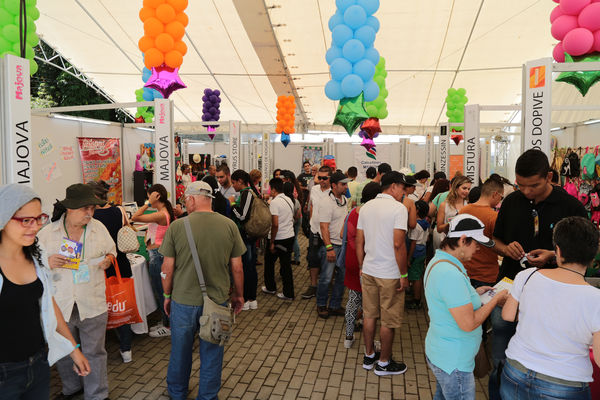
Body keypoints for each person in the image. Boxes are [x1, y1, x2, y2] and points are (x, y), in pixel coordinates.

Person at [488, 149, 588, 400]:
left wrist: (552, 256)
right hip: (509, 287)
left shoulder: (571, 207)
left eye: (533, 185)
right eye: (520, 185)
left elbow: (582, 253)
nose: (526, 191)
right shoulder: (511, 201)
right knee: (500, 354)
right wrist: (505, 248)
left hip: (553, 298)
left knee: (543, 355)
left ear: (549, 177)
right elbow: (495, 240)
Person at [0, 184, 90, 400]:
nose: (35, 227)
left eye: (39, 218)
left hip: (39, 365)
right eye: (25, 220)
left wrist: (74, 349)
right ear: (3, 218)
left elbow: (49, 306)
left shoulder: (35, 255)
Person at [159, 181, 245, 400]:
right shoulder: (229, 225)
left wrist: (167, 296)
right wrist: (238, 294)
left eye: (185, 200)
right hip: (216, 302)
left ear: (192, 199)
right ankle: (207, 396)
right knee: (212, 353)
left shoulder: (178, 226)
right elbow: (237, 267)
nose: (185, 204)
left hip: (183, 302)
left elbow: (167, 268)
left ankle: (177, 393)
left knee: (180, 352)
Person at [502, 217, 600, 399]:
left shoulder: (527, 275)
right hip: (565, 382)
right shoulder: (596, 299)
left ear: (558, 250)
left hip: (516, 370)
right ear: (593, 256)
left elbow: (508, 315)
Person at [38, 183, 116, 400]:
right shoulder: (48, 233)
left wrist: (109, 260)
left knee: (95, 353)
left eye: (92, 208)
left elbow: (112, 251)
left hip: (92, 301)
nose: (90, 214)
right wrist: (47, 261)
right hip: (61, 303)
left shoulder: (98, 228)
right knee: (64, 351)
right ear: (70, 209)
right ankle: (72, 389)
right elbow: (32, 263)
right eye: (85, 209)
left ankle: (97, 395)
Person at [425, 214, 508, 400]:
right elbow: (468, 323)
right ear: (463, 240)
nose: (478, 248)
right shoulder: (449, 273)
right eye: (476, 243)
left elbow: (447, 298)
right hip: (454, 361)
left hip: (443, 353)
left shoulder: (440, 262)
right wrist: (495, 300)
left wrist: (475, 293)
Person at [356, 171, 410, 376]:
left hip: (369, 269)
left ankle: (369, 355)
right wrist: (404, 275)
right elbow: (398, 244)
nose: (404, 192)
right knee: (389, 319)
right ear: (394, 186)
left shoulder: (366, 207)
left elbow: (359, 241)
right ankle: (384, 364)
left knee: (369, 315)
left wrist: (362, 266)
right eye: (403, 188)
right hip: (390, 273)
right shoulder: (399, 209)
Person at [88, 181, 135, 363]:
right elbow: (127, 229)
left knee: (102, 309)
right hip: (121, 264)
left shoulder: (91, 217)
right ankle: (126, 350)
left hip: (102, 267)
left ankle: (101, 349)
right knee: (121, 306)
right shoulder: (120, 211)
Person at [131, 184, 175, 338]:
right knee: (161, 290)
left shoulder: (161, 214)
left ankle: (168, 325)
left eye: (150, 196)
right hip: (157, 255)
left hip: (158, 256)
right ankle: (165, 321)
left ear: (156, 196)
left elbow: (134, 217)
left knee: (162, 291)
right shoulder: (161, 212)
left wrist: (147, 203)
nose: (148, 199)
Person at [343, 182, 382, 348]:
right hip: (368, 262)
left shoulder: (352, 212)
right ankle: (372, 341)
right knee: (370, 305)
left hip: (351, 260)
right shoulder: (374, 214)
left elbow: (342, 234)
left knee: (353, 299)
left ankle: (348, 337)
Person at [316, 171, 350, 319]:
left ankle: (335, 305)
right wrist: (329, 248)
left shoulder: (344, 200)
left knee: (342, 278)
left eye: (346, 184)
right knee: (326, 277)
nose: (346, 186)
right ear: (334, 185)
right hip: (331, 246)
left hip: (343, 245)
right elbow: (324, 227)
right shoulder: (325, 202)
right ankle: (321, 305)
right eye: (343, 184)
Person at [459, 178, 504, 287]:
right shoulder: (493, 217)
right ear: (495, 194)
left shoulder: (463, 211)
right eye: (501, 197)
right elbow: (499, 245)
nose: (500, 201)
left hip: (465, 270)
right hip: (486, 274)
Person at [262, 178, 296, 300]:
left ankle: (270, 287)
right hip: (289, 236)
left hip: (278, 238)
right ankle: (288, 293)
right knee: (286, 266)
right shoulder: (289, 199)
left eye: (270, 188)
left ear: (274, 189)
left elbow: (275, 224)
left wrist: (272, 242)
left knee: (269, 264)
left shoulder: (275, 202)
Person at [231, 169, 259, 311]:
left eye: (234, 182)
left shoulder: (247, 194)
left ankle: (250, 298)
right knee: (248, 266)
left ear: (240, 181)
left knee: (248, 267)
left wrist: (232, 205)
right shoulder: (247, 193)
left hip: (247, 237)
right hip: (247, 236)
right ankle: (250, 297)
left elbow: (242, 216)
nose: (233, 185)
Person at [302, 166, 331, 299]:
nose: (322, 180)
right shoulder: (314, 189)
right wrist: (311, 221)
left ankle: (327, 285)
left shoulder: (333, 192)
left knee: (327, 260)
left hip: (328, 232)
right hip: (314, 230)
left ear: (330, 178)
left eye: (325, 178)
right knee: (313, 259)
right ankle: (313, 286)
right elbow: (312, 204)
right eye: (320, 178)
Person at [406, 200, 430, 310]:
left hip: (416, 252)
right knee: (419, 275)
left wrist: (409, 258)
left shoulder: (416, 226)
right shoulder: (426, 223)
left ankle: (416, 300)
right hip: (423, 251)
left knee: (415, 277)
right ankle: (416, 297)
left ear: (417, 211)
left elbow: (413, 242)